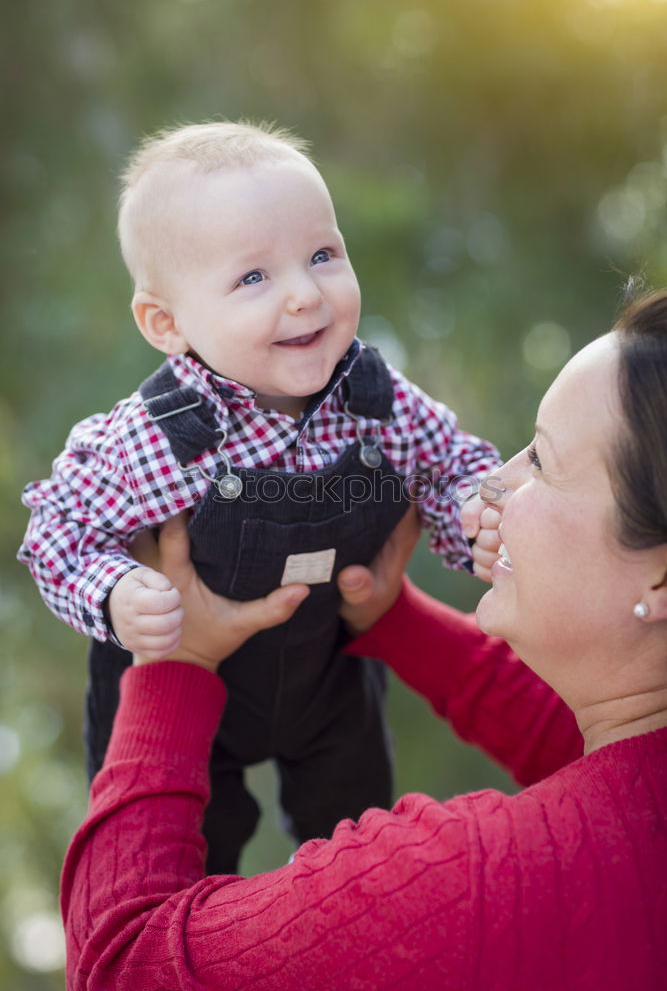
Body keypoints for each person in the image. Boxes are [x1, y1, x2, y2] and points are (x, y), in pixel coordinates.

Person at [60, 290, 667, 989]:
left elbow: (124, 965)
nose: (494, 481)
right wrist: (389, 618)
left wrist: (173, 667)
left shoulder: (468, 885)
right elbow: (575, 753)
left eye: (541, 461)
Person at [18, 121, 500, 873]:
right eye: (253, 278)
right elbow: (57, 533)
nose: (305, 295)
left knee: (368, 853)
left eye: (322, 255)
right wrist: (112, 592)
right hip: (180, 687)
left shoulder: (378, 401)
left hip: (326, 671)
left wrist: (476, 518)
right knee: (177, 866)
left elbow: (449, 468)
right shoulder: (152, 439)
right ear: (166, 324)